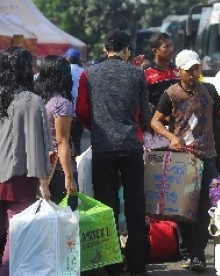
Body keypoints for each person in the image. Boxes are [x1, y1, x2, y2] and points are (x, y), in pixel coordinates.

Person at [151, 49, 220, 272]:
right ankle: (188, 249)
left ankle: (197, 254)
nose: (194, 73)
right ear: (179, 71)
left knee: (203, 208)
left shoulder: (209, 90)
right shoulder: (170, 94)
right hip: (182, 159)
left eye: (196, 68)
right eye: (189, 70)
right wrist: (171, 137)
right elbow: (155, 122)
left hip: (208, 157)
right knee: (182, 210)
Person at [76, 29, 150, 276]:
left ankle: (112, 266)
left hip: (103, 149)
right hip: (131, 147)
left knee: (106, 207)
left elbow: (83, 111)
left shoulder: (90, 74)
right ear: (127, 50)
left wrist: (97, 128)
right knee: (135, 208)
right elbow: (145, 115)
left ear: (105, 50)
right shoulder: (138, 74)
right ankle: (137, 266)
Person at [0, 47, 53, 276]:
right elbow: (39, 145)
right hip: (19, 176)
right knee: (16, 231)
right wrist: (44, 184)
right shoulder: (33, 101)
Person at [35, 55, 78, 204]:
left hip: (39, 168)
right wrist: (69, 177)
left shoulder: (38, 100)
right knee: (67, 219)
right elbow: (61, 142)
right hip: (58, 170)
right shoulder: (61, 104)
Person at [144, 32, 179, 115]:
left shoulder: (179, 71)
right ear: (155, 51)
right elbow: (142, 103)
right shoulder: (145, 74)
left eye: (171, 45)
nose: (171, 49)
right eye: (166, 47)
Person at [64, 47, 85, 156]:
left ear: (67, 58)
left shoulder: (65, 70)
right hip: (79, 112)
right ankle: (77, 165)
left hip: (65, 111)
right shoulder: (83, 72)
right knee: (76, 141)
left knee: (65, 140)